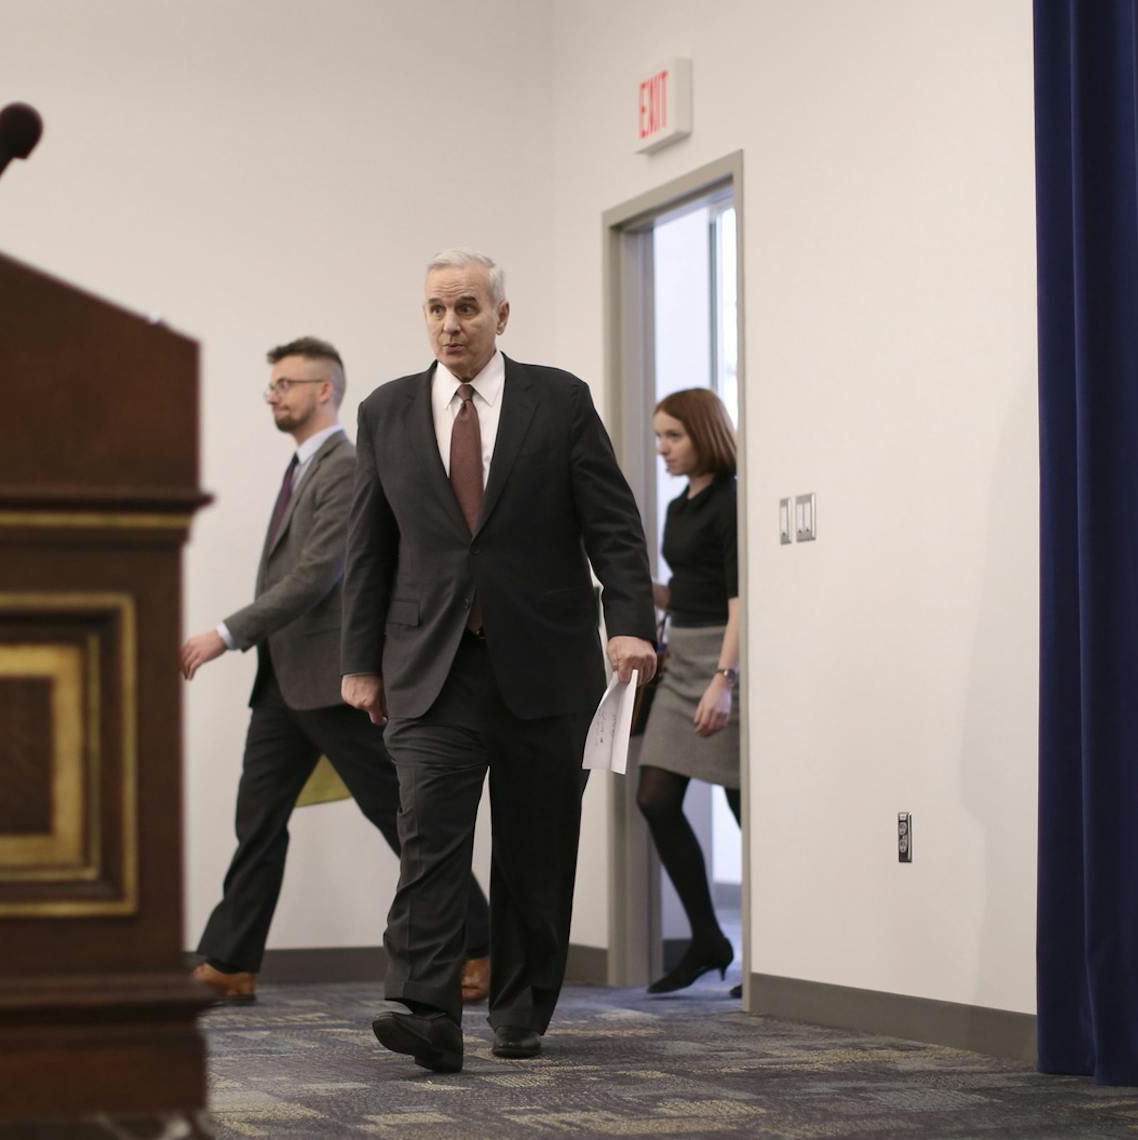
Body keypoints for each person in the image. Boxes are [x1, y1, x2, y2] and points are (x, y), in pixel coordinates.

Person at [341, 249, 656, 1072]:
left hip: (546, 665)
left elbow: (613, 526)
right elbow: (368, 548)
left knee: (536, 851)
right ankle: (426, 1009)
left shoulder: (560, 400)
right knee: (429, 841)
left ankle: (519, 1012)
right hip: (430, 666)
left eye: (469, 308)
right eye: (438, 309)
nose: (452, 323)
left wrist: (629, 623)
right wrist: (360, 661)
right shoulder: (385, 412)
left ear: (501, 316)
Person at [181, 336, 491, 1007]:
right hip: (284, 684)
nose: (274, 394)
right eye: (272, 385)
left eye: (286, 383)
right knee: (257, 822)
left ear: (325, 390)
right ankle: (231, 962)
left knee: (401, 817)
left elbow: (319, 574)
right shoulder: (303, 467)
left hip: (333, 680)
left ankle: (479, 945)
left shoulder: (345, 465)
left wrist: (227, 633)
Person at [638, 387, 743, 996]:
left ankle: (774, 949)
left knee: (742, 809)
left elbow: (738, 600)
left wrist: (725, 682)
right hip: (683, 663)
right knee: (655, 798)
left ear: (704, 433)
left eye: (672, 436)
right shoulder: (681, 507)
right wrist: (630, 584)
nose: (662, 449)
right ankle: (708, 939)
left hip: (724, 663)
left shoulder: (731, 501)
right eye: (659, 437)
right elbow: (688, 591)